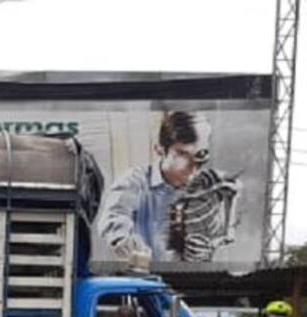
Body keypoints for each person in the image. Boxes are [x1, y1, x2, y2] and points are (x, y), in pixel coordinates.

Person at [96, 110, 239, 265]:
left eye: (200, 153)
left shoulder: (212, 187)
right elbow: (114, 218)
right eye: (183, 154)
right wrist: (125, 242)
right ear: (160, 150)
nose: (193, 164)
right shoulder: (135, 181)